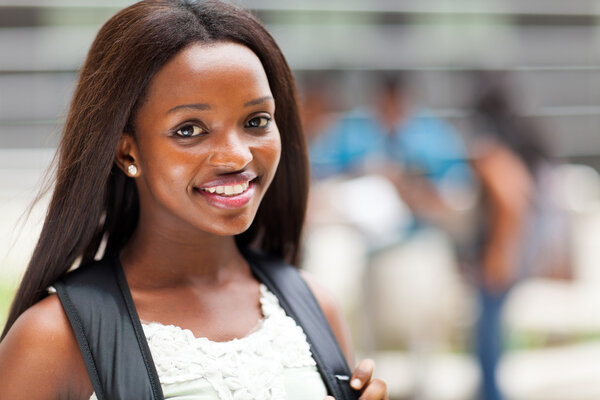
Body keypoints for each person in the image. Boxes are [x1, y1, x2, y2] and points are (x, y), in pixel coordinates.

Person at [0, 1, 388, 399]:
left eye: (256, 122)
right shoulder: (53, 339)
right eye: (190, 130)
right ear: (127, 153)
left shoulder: (315, 308)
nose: (237, 156)